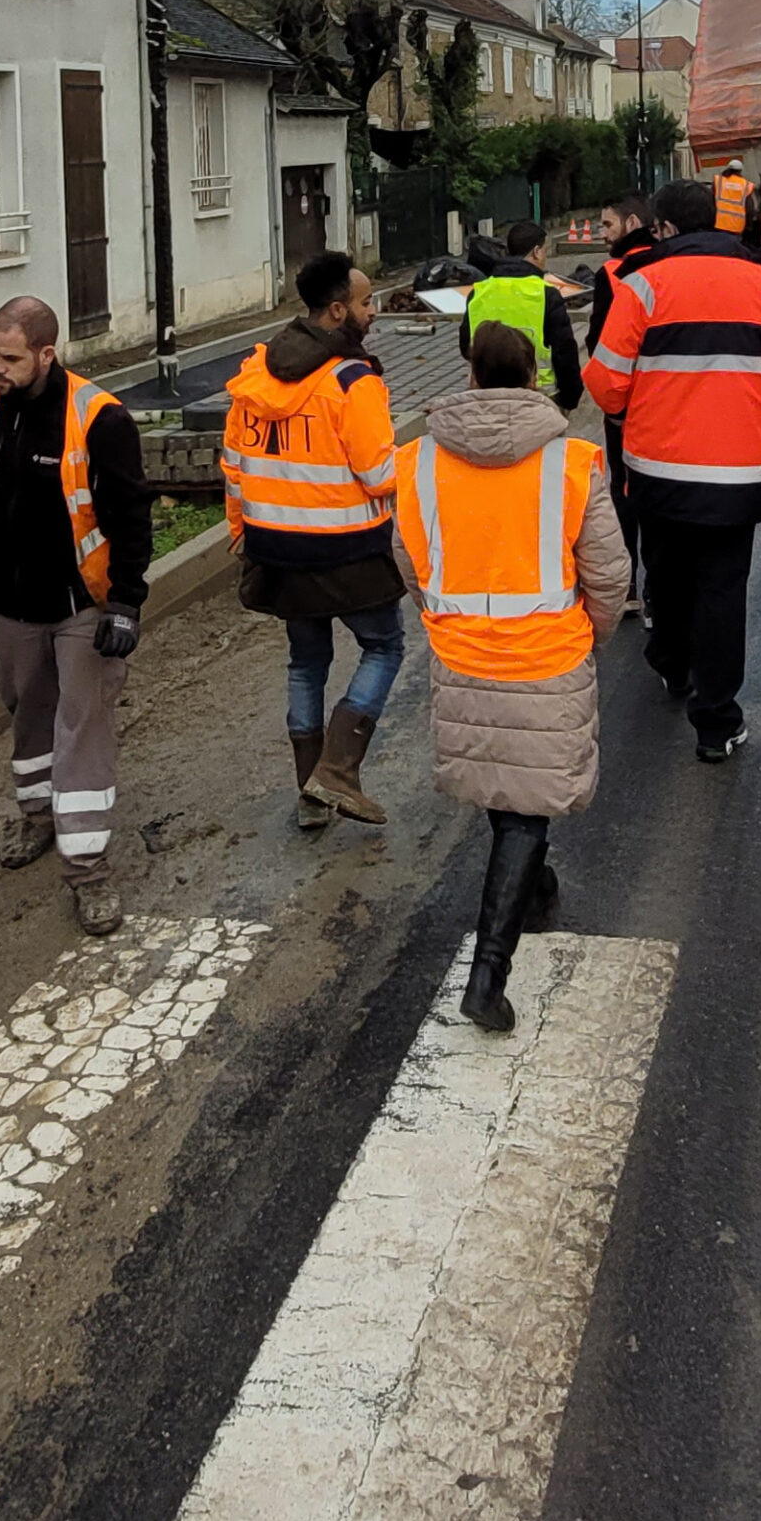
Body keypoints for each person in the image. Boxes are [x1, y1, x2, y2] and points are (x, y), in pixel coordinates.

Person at [393, 322, 628, 1033]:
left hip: (461, 651)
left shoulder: (417, 463)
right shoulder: (572, 462)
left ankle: (534, 885)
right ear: (534, 379)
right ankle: (487, 975)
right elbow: (609, 576)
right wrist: (593, 635)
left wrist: (443, 619)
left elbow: (409, 561)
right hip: (548, 652)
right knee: (527, 806)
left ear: (469, 377)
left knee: (510, 789)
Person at [583, 179, 761, 762]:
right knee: (721, 589)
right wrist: (760, 415)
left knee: (665, 571)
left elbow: (606, 382)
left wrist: (637, 414)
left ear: (662, 229)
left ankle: (671, 664)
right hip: (739, 473)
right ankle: (716, 723)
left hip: (658, 471)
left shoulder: (642, 287)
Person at [0, 296, 154, 937]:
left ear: (47, 353)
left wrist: (124, 602)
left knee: (82, 729)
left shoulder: (99, 420)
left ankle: (88, 868)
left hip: (79, 606)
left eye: (10, 358)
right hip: (8, 604)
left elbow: (130, 517)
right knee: (27, 715)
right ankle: (38, 817)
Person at [222, 251, 404, 828]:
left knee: (307, 662)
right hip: (347, 552)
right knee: (385, 647)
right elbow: (379, 474)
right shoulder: (353, 381)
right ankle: (338, 771)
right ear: (336, 311)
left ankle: (309, 793)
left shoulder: (254, 375)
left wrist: (241, 534)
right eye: (366, 301)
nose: (372, 311)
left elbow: (232, 465)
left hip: (276, 551)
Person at [585, 195, 657, 610]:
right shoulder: (671, 265)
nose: (602, 234)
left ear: (632, 223)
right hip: (666, 403)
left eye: (608, 225)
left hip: (625, 406)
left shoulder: (613, 272)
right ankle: (657, 590)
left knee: (624, 489)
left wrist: (612, 405)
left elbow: (599, 344)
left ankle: (628, 587)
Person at [459, 220, 583, 411]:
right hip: (539, 399)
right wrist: (570, 398)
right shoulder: (546, 294)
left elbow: (466, 345)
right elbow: (564, 353)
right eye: (545, 250)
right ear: (536, 252)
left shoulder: (479, 292)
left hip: (487, 399)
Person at [712, 159, 756, 239]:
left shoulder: (719, 181)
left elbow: (711, 200)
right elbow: (750, 208)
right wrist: (749, 225)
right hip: (737, 226)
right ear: (740, 171)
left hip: (719, 223)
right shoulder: (745, 185)